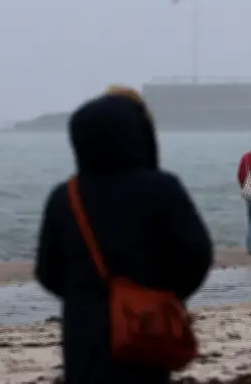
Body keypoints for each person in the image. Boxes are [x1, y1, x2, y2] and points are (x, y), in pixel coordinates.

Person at [34, 93, 214, 384]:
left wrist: (87, 297)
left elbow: (46, 271)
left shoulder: (65, 196)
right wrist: (167, 295)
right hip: (144, 326)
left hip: (83, 333)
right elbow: (196, 254)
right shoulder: (161, 188)